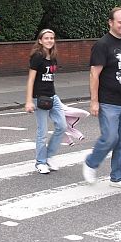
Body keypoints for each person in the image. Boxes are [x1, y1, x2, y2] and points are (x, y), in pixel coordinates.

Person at [82, 7, 121, 189]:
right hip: (108, 100)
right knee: (109, 138)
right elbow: (94, 74)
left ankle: (118, 176)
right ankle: (91, 163)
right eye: (120, 22)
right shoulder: (102, 45)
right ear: (111, 22)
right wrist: (94, 101)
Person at [24, 28, 67, 174]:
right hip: (39, 98)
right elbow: (31, 80)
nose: (50, 40)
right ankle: (40, 162)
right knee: (42, 131)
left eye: (52, 38)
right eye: (47, 38)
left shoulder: (53, 56)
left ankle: (49, 156)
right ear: (40, 41)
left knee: (62, 126)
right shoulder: (37, 57)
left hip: (53, 96)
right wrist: (29, 101)